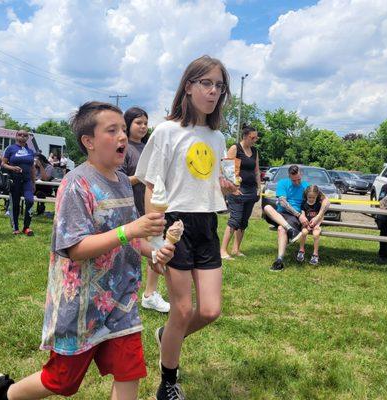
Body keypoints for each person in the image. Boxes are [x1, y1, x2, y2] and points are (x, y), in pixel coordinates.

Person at [0, 101, 175, 400]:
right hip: (82, 302)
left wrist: (152, 252)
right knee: (62, 381)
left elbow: (129, 236)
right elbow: (75, 248)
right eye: (112, 131)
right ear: (88, 141)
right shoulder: (77, 184)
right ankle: (5, 394)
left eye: (123, 130)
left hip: (121, 298)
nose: (123, 137)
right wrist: (132, 231)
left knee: (130, 370)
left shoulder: (124, 183)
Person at [135, 55, 238, 400]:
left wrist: (225, 186)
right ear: (189, 86)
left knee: (209, 310)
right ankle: (168, 382)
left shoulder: (218, 137)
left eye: (219, 86)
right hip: (175, 224)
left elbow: (210, 179)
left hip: (207, 222)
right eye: (206, 83)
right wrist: (153, 242)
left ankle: (168, 336)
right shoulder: (166, 131)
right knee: (181, 308)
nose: (213, 91)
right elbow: (152, 186)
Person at [118, 106, 170, 314]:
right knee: (128, 250)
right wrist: (142, 176)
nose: (143, 127)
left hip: (149, 206)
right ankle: (122, 291)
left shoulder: (149, 146)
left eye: (146, 123)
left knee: (154, 249)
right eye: (138, 123)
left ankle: (150, 294)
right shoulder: (123, 148)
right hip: (128, 209)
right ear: (128, 124)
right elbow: (119, 181)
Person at [263, 165, 330, 271]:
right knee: (267, 207)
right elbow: (282, 202)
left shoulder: (306, 186)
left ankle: (279, 260)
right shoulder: (283, 183)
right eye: (293, 180)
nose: (297, 182)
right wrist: (299, 215)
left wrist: (318, 216)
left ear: (301, 174)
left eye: (298, 179)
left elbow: (326, 201)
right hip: (282, 215)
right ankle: (290, 230)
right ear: (289, 176)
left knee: (281, 229)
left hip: (293, 218)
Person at [220, 124, 261, 260]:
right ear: (245, 136)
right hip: (237, 190)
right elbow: (227, 170)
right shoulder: (235, 148)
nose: (255, 140)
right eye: (252, 137)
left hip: (251, 190)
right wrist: (233, 188)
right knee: (235, 220)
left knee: (243, 222)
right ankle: (223, 251)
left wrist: (259, 188)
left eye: (256, 138)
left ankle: (236, 249)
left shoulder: (254, 151)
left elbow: (256, 171)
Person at [2, 130, 36, 236]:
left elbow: (32, 168)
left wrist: (34, 182)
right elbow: (3, 164)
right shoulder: (10, 149)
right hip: (14, 180)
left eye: (25, 135)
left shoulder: (30, 151)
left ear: (27, 138)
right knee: (15, 204)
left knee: (30, 201)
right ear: (16, 136)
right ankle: (15, 227)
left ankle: (26, 227)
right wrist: (12, 168)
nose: (22, 136)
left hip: (27, 180)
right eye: (20, 134)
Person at [297, 185, 326, 265]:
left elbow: (321, 216)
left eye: (313, 197)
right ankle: (301, 250)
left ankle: (315, 254)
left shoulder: (318, 204)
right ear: (306, 195)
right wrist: (306, 225)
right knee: (304, 233)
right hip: (306, 225)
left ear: (317, 196)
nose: (311, 199)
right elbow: (303, 215)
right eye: (309, 197)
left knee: (316, 235)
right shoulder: (304, 204)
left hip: (316, 225)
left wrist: (318, 225)